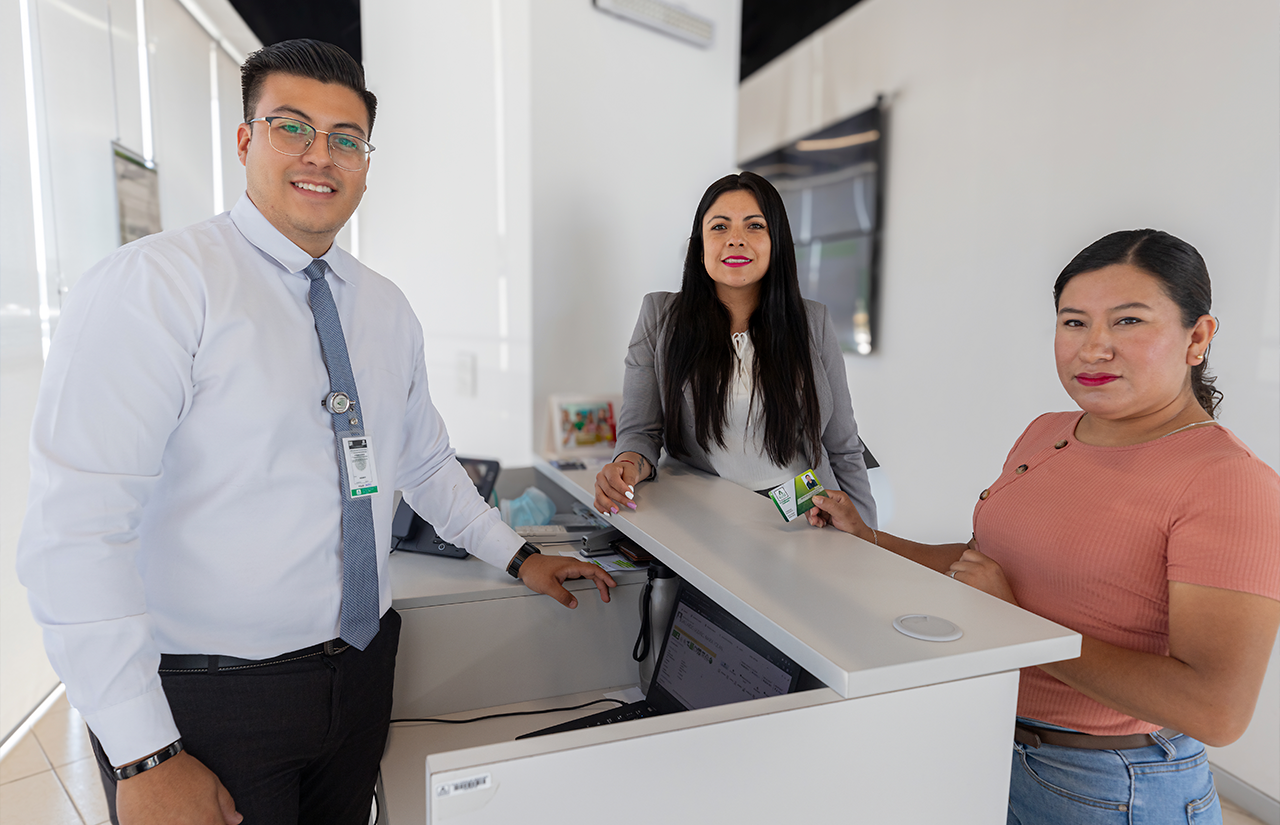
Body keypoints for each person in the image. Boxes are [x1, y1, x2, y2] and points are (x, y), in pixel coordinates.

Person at [16, 39, 614, 825]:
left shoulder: (385, 308)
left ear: (366, 162)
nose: (319, 155)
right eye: (291, 127)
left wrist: (521, 553)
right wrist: (144, 754)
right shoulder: (157, 287)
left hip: (360, 674)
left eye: (345, 138)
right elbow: (76, 533)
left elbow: (427, 462)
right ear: (244, 138)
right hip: (210, 696)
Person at [812, 229, 1280, 824]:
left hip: (1108, 785)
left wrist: (1014, 623)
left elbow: (1216, 710)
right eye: (1074, 322)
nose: (1094, 348)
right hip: (991, 742)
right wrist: (870, 540)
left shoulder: (1227, 481)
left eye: (1129, 321)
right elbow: (988, 567)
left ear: (1198, 337)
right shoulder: (1048, 431)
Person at [593, 172, 877, 527]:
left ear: (777, 243)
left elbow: (843, 448)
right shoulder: (660, 318)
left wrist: (868, 537)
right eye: (719, 227)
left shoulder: (812, 322)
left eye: (754, 226)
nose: (736, 240)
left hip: (806, 516)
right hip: (706, 516)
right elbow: (642, 431)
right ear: (699, 248)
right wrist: (625, 465)